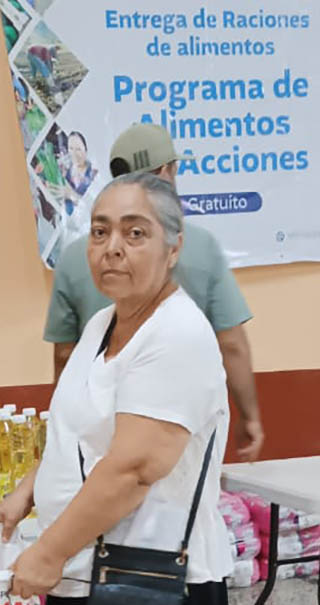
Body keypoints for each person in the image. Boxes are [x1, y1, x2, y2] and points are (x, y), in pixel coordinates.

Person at [0, 173, 236, 605]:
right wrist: (25, 494)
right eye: (100, 232)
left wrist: (49, 553)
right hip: (88, 571)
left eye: (135, 233)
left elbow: (133, 469)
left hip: (143, 585)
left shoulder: (176, 334)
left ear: (173, 248)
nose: (112, 248)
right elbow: (82, 433)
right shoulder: (103, 324)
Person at [44, 123, 265, 462]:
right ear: (165, 172)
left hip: (95, 439)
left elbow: (64, 355)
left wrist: (65, 432)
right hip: (176, 434)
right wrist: (250, 417)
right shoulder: (196, 245)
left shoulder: (79, 255)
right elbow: (231, 343)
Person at [61, 131, 97, 215]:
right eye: (71, 148)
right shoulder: (69, 170)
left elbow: (92, 202)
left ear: (86, 150)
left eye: (78, 149)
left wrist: (72, 194)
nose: (74, 153)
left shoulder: (92, 174)